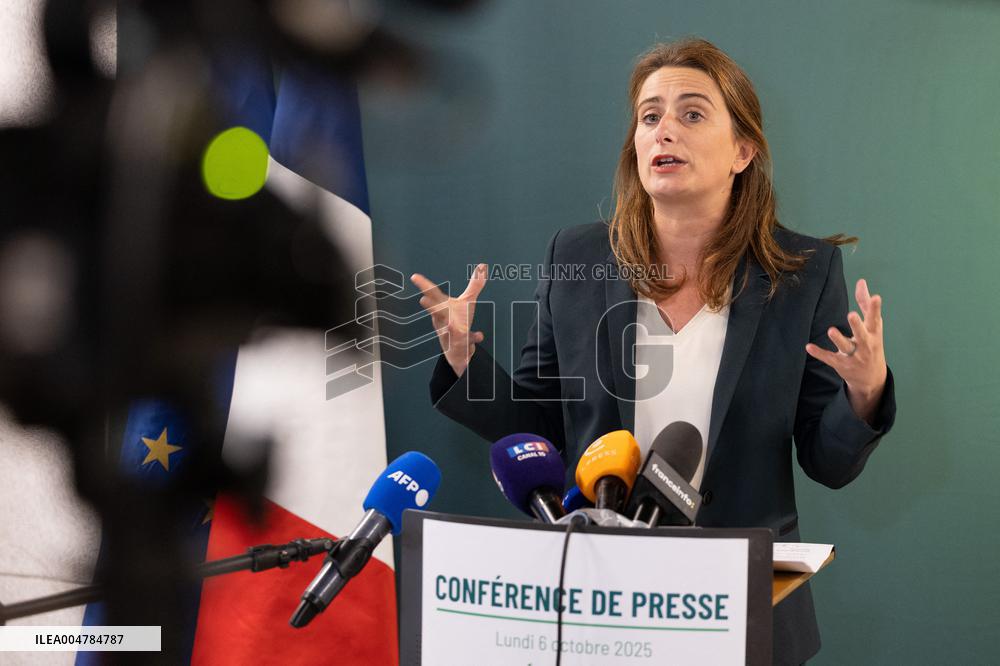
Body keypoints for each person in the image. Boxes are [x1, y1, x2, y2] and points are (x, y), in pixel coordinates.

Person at [411, 37, 896, 665]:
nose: (664, 129)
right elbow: (541, 428)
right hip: (601, 596)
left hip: (740, 605)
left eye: (692, 113)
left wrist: (864, 392)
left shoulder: (803, 272)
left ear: (743, 151)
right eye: (649, 116)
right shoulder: (579, 257)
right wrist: (462, 360)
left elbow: (828, 461)